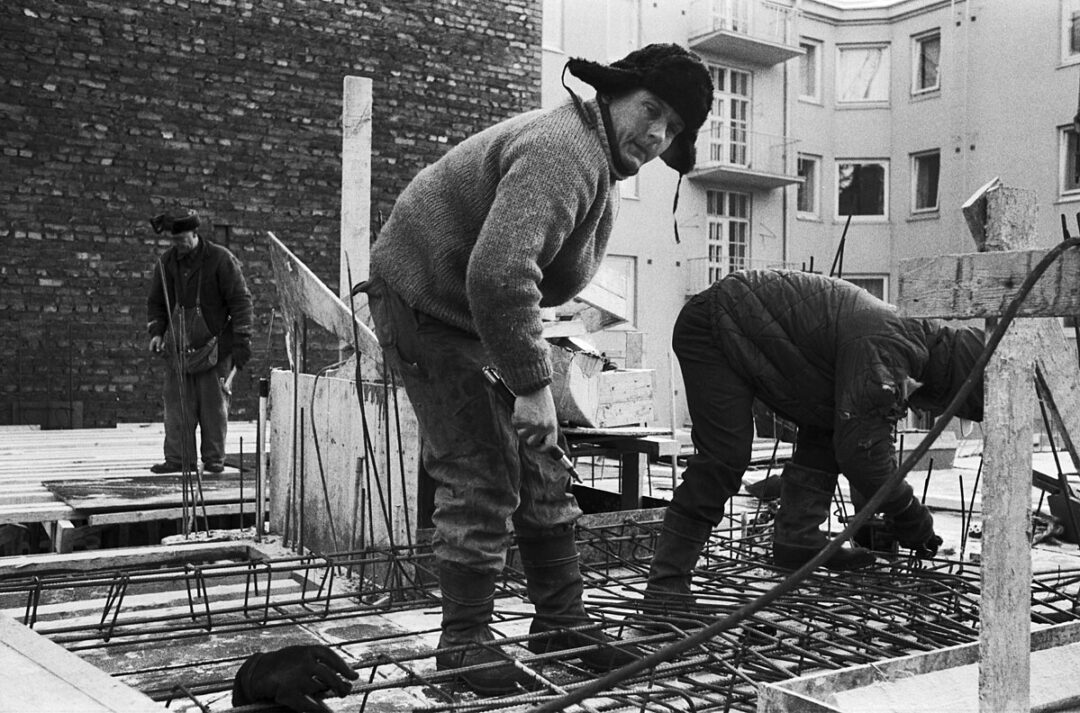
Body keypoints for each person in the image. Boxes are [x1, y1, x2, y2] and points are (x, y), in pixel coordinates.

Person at [358, 43, 714, 693]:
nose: (658, 135)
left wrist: (534, 384)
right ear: (614, 93)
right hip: (425, 301)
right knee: (482, 467)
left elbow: (514, 277)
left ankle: (560, 622)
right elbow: (500, 274)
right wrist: (531, 385)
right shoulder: (565, 150)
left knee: (544, 462)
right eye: (652, 110)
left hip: (471, 310)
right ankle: (463, 642)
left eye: (674, 128)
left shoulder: (598, 161)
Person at [644, 269, 985, 606]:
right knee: (724, 457)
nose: (936, 409)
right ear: (953, 385)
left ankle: (798, 538)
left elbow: (854, 436)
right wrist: (910, 513)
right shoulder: (889, 347)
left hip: (744, 323)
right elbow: (863, 455)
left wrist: (892, 505)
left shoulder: (906, 345)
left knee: (828, 425)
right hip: (715, 325)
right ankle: (666, 584)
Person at [146, 209, 254, 475]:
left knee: (213, 409)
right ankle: (177, 459)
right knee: (176, 407)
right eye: (174, 240)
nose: (178, 244)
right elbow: (156, 302)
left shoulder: (220, 259)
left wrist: (242, 340)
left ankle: (213, 460)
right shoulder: (167, 263)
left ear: (195, 234)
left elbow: (241, 301)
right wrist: (157, 332)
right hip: (179, 350)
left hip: (215, 350)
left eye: (182, 238)